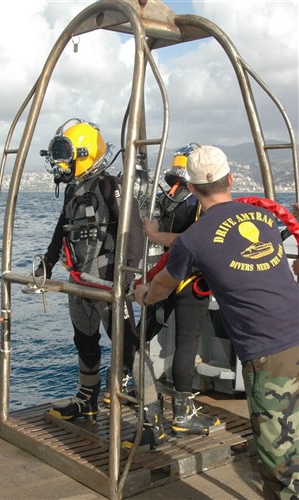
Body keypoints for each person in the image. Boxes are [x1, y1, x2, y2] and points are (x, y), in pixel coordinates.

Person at [134, 145, 299, 499]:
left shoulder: (194, 239)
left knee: (279, 462)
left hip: (268, 356)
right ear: (232, 179)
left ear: (191, 188)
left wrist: (141, 294)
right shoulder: (266, 218)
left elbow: (159, 290)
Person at [35, 118, 144, 422]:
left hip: (109, 282)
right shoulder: (73, 191)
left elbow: (133, 233)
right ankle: (87, 398)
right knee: (84, 340)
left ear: (82, 154)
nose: (60, 165)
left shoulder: (112, 186)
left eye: (65, 156)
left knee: (128, 344)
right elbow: (62, 230)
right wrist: (47, 263)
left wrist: (126, 278)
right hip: (79, 282)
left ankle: (150, 409)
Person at [139, 144, 220, 437]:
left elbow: (149, 229)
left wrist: (156, 235)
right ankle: (183, 414)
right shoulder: (199, 202)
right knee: (187, 344)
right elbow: (195, 238)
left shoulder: (163, 198)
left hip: (164, 273)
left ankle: (126, 383)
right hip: (192, 280)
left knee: (140, 333)